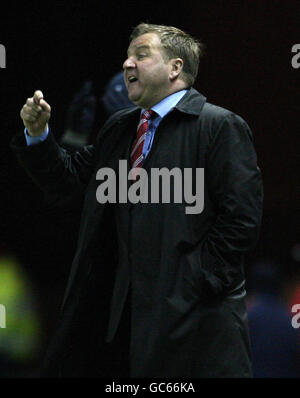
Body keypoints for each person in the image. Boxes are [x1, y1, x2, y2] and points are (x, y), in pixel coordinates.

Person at [11, 23, 263, 378]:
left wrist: (192, 283)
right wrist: (38, 135)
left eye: (141, 55)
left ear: (176, 68)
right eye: (127, 56)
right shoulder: (120, 127)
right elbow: (69, 182)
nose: (128, 64)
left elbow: (241, 221)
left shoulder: (219, 125)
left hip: (195, 324)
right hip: (126, 320)